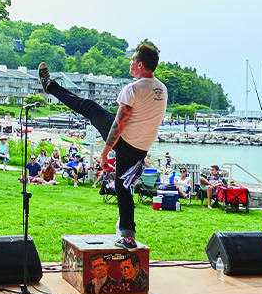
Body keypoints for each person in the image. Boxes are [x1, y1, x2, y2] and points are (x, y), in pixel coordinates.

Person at [39, 43, 169, 248]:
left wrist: (105, 153)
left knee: (88, 106)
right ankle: (128, 235)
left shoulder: (132, 89)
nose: (130, 62)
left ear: (140, 64)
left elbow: (119, 123)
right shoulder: (161, 89)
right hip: (141, 148)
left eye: (133, 59)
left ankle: (50, 87)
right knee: (122, 186)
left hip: (125, 141)